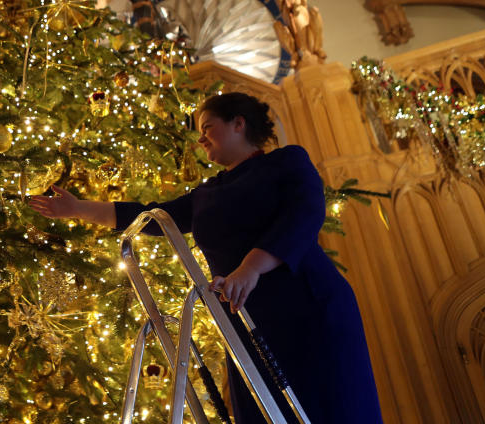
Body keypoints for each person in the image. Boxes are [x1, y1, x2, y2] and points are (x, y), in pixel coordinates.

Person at [30, 92, 383, 424]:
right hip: (247, 319)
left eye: (207, 128)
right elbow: (149, 215)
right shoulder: (206, 194)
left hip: (308, 307)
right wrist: (76, 208)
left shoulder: (286, 162)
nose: (200, 140)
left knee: (332, 404)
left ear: (238, 124)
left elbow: (304, 215)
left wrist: (250, 268)